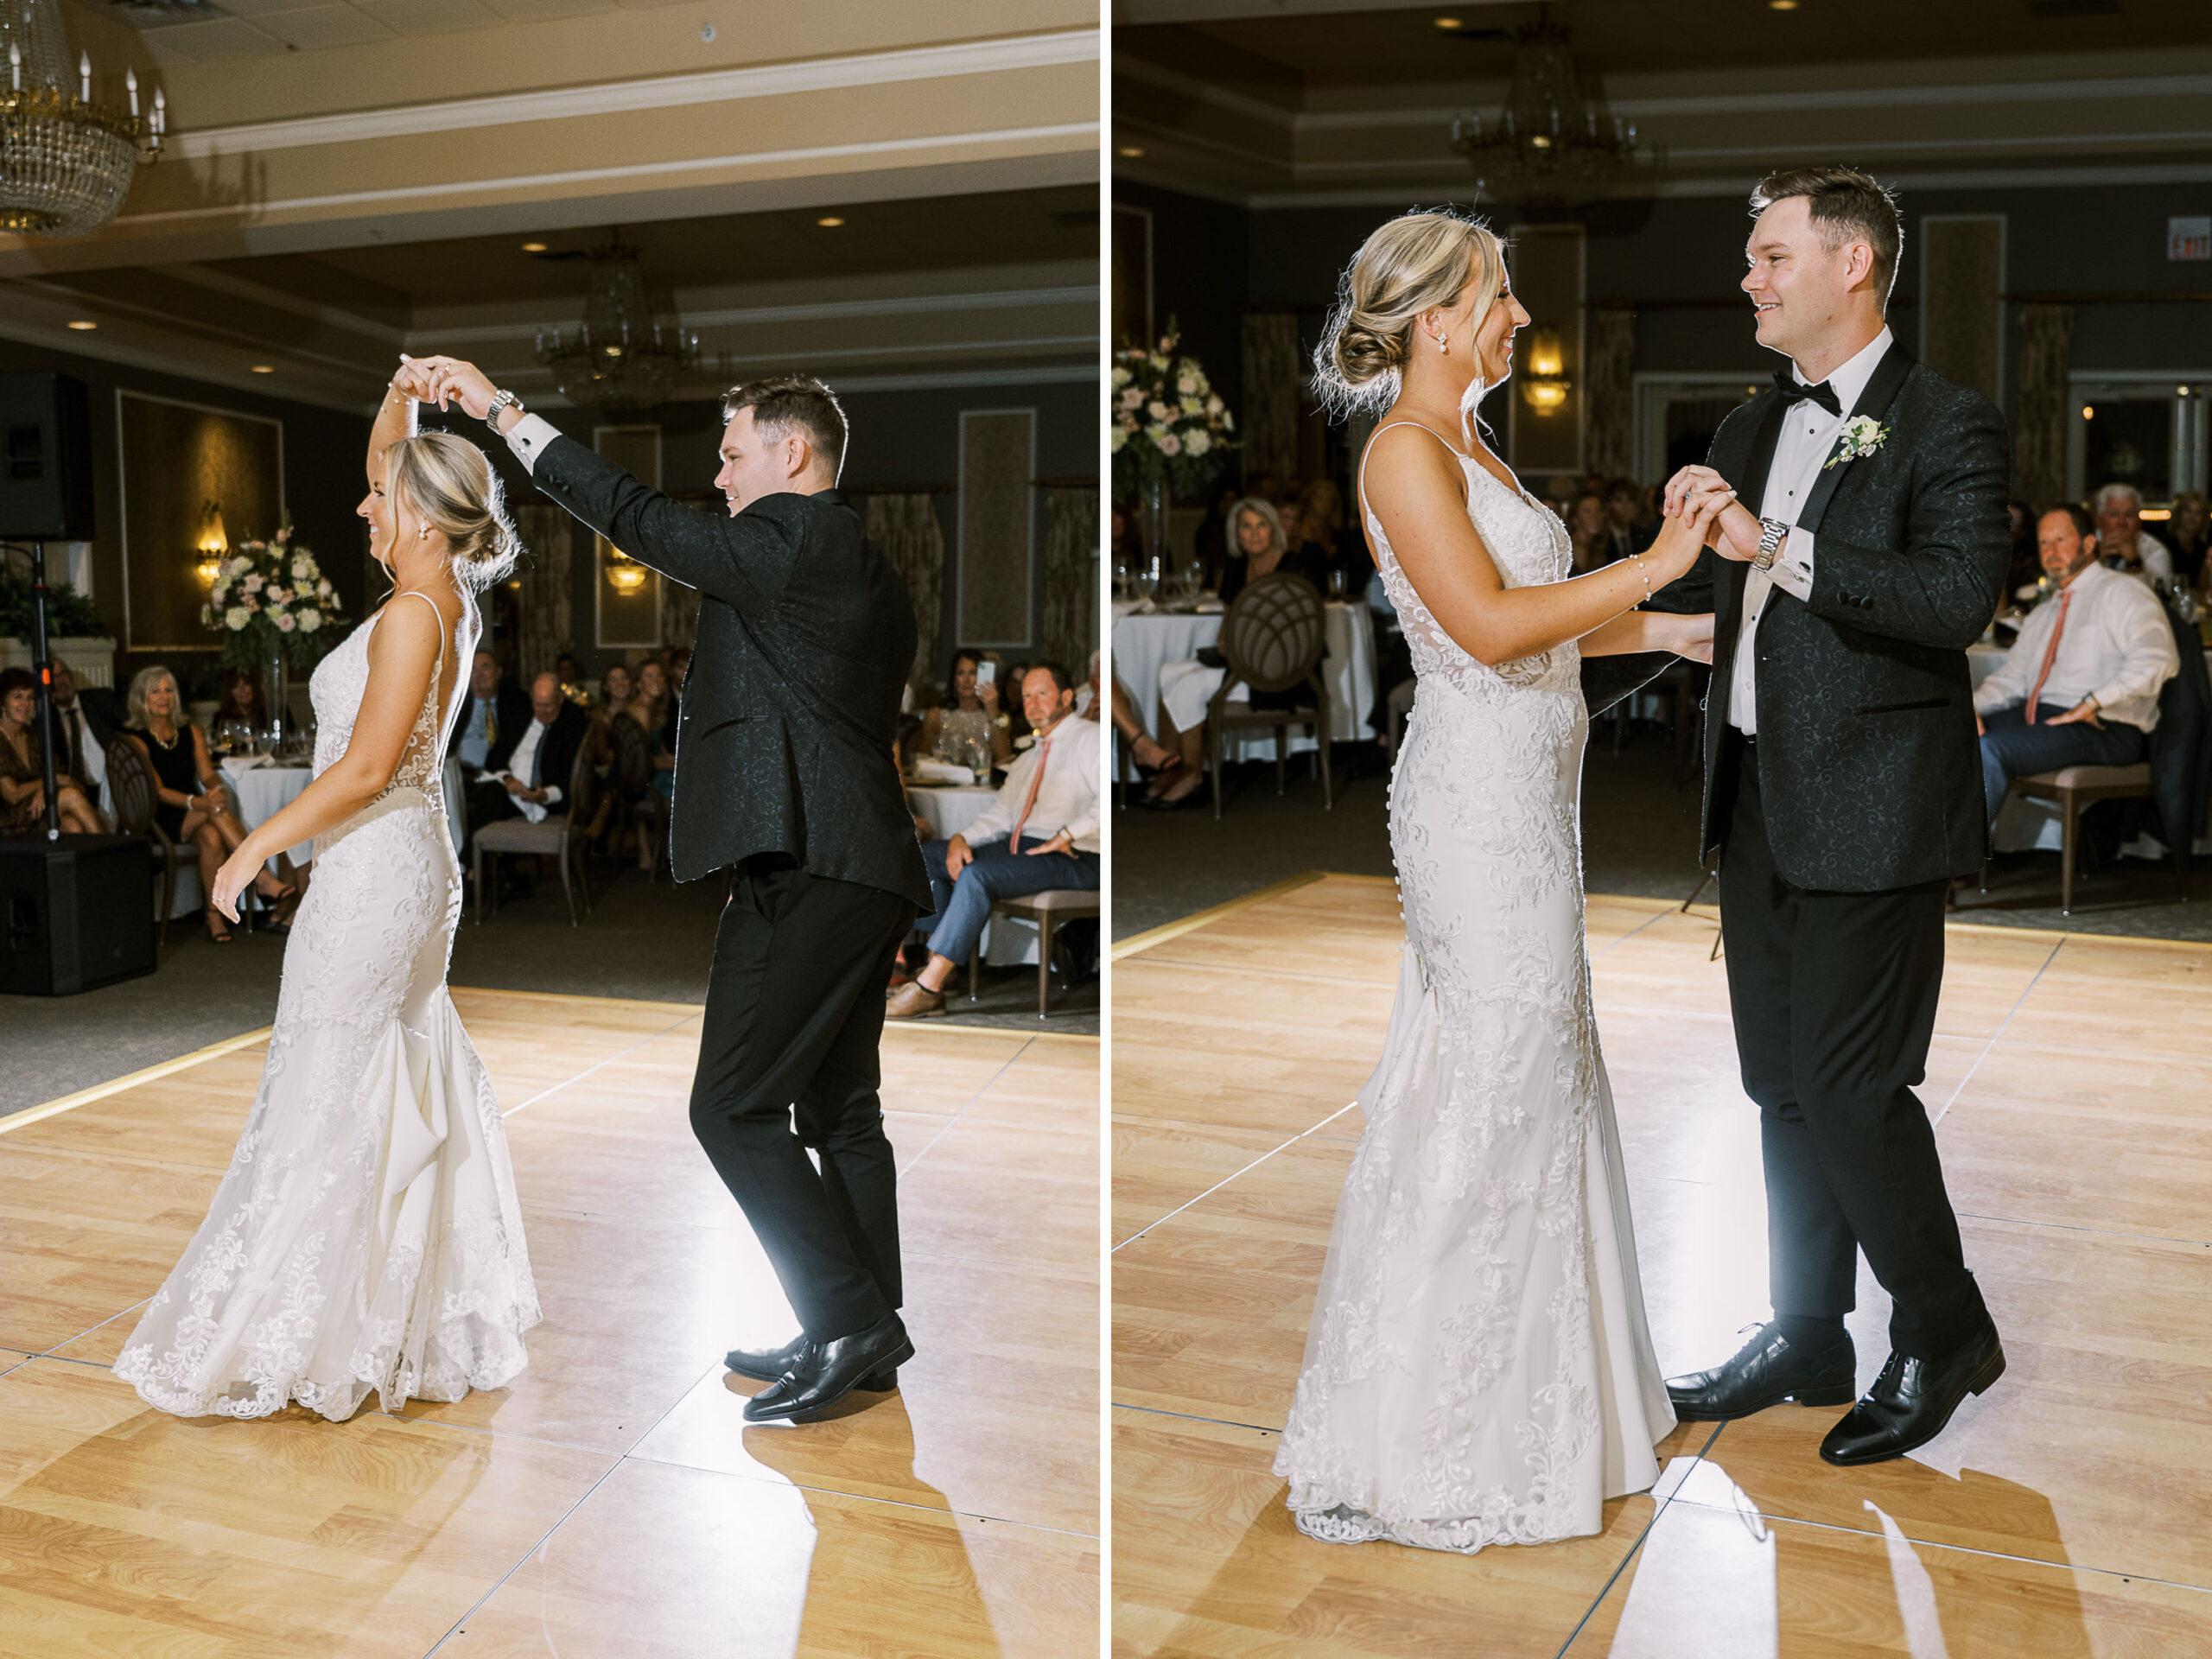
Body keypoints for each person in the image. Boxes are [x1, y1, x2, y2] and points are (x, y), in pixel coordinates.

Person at [1273, 207, 1719, 1554]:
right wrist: (1654, 561)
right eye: (1502, 294)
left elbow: (1547, 630)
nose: (1522, 314)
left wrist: (1680, 626)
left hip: (1531, 807)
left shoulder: (1468, 444)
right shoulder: (1403, 452)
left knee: (1539, 1073)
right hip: (1473, 814)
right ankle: (1431, 1431)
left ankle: (1550, 1406)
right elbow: (1484, 628)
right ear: (1438, 320)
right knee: (1495, 1082)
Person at [416, 353, 929, 1424]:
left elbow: (636, 518)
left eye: (734, 456)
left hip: (810, 863)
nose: (721, 477)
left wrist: (502, 412)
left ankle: (850, 1320)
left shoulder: (790, 540)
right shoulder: (863, 562)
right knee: (840, 1111)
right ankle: (863, 1334)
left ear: (793, 454)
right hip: (863, 862)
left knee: (732, 1107)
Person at [1647, 166, 2011, 1468]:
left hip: (1878, 808)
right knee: (1781, 1088)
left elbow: (1954, 600)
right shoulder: (1749, 422)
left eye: (1770, 257)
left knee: (1854, 1091)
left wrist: (1775, 548)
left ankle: (1947, 1328)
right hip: (1758, 799)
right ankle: (1809, 1334)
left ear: (1852, 264)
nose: (1747, 279)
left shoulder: (1948, 423)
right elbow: (1740, 605)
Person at [114, 358, 539, 1421]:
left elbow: (365, 767)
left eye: (379, 497)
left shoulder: (412, 615)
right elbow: (388, 460)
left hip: (378, 872)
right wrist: (406, 387)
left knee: (326, 1082)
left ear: (423, 518)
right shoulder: (446, 597)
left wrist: (252, 849)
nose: (362, 504)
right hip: (403, 864)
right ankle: (375, 1318)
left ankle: (307, 1329)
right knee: (375, 1078)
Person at [887, 662, 1101, 1018]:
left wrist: (1068, 834)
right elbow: (1001, 816)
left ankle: (928, 989)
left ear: (1066, 697)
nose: (1032, 703)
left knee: (977, 875)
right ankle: (941, 966)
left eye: (1042, 694)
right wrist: (961, 838)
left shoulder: (1091, 739)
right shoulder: (1030, 756)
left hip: (1078, 856)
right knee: (926, 855)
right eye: (1027, 696)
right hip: (1026, 849)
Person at [1974, 503, 2177, 824]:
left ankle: (1960, 855)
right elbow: (2011, 679)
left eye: (2060, 539)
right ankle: (1923, 845)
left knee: (1989, 749)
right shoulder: (2043, 613)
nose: (2050, 552)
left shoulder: (2124, 592)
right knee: (1950, 733)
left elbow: (2157, 659)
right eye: (2044, 542)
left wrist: (2093, 702)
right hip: (2043, 719)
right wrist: (1969, 709)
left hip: (2104, 727)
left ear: (2088, 543)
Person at [1147, 496, 1332, 808]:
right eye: (1246, 526)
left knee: (1188, 686)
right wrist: (1226, 643)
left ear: (1274, 529)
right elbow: (1227, 620)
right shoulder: (1236, 566)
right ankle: (1172, 767)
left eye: (1262, 525)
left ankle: (1193, 774)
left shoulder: (1295, 567)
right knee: (1168, 672)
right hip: (1240, 662)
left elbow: (1302, 634)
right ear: (1236, 533)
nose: (1255, 533)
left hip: (1281, 674)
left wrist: (1242, 649)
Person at [124, 665, 296, 944]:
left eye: (169, 690)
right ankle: (261, 876)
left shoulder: (190, 731)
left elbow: (207, 774)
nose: (163, 697)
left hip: (197, 810)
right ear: (141, 698)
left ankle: (213, 914)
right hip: (159, 817)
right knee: (214, 812)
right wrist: (201, 802)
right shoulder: (137, 740)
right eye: (155, 691)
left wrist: (217, 789)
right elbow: (158, 792)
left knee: (212, 837)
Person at [464, 671, 589, 858]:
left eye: (548, 705)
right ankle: (479, 867)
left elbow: (573, 774)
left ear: (560, 699)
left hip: (550, 800)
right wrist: (508, 779)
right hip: (514, 793)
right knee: (491, 795)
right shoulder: (520, 716)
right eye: (538, 704)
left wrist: (545, 794)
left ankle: (476, 868)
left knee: (490, 805)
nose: (543, 711)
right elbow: (496, 755)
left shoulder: (573, 722)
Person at [0, 666, 103, 836]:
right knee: (70, 796)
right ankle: (111, 848)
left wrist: (45, 789)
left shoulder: (34, 735)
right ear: (3, 703)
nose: (25, 704)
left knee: (74, 826)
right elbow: (13, 795)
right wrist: (49, 782)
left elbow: (60, 774)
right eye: (18, 697)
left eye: (30, 697)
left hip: (38, 807)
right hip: (8, 818)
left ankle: (99, 852)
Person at [46, 655, 121, 810]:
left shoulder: (100, 699)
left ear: (71, 675)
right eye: (53, 677)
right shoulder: (46, 721)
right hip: (75, 790)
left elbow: (131, 724)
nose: (60, 681)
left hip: (113, 783)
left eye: (63, 673)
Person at [918, 648, 1013, 768]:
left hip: (984, 779)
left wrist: (993, 713)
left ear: (982, 677)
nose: (966, 680)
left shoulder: (1002, 717)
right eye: (960, 673)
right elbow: (920, 761)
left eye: (973, 673)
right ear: (954, 680)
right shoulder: (936, 716)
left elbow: (1005, 762)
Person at [447, 647, 529, 778]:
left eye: (486, 667)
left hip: (509, 776)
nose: (480, 675)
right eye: (473, 670)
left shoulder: (518, 704)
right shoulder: (454, 708)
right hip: (467, 777)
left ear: (499, 672)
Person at [2094, 482, 2175, 591]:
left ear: (2139, 521)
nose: (2122, 522)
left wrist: (2134, 562)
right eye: (2114, 514)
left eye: (2129, 515)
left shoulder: (2155, 551)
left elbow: (2155, 597)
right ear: (2099, 520)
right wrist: (2095, 561)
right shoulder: (2083, 545)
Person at [207, 667, 271, 747]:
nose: (242, 690)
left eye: (246, 684)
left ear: (254, 687)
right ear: (230, 692)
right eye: (235, 686)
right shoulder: (221, 718)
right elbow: (221, 748)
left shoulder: (267, 715)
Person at [2165, 490, 2209, 593]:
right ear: (2179, 514)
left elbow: (2203, 587)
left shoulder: (2203, 549)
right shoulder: (2165, 545)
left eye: (2198, 513)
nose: (2192, 517)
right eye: (2188, 511)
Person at [1567, 489, 1611, 571]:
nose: (1595, 517)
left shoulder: (1596, 545)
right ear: (1574, 518)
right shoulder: (1579, 549)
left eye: (1599, 510)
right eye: (1587, 511)